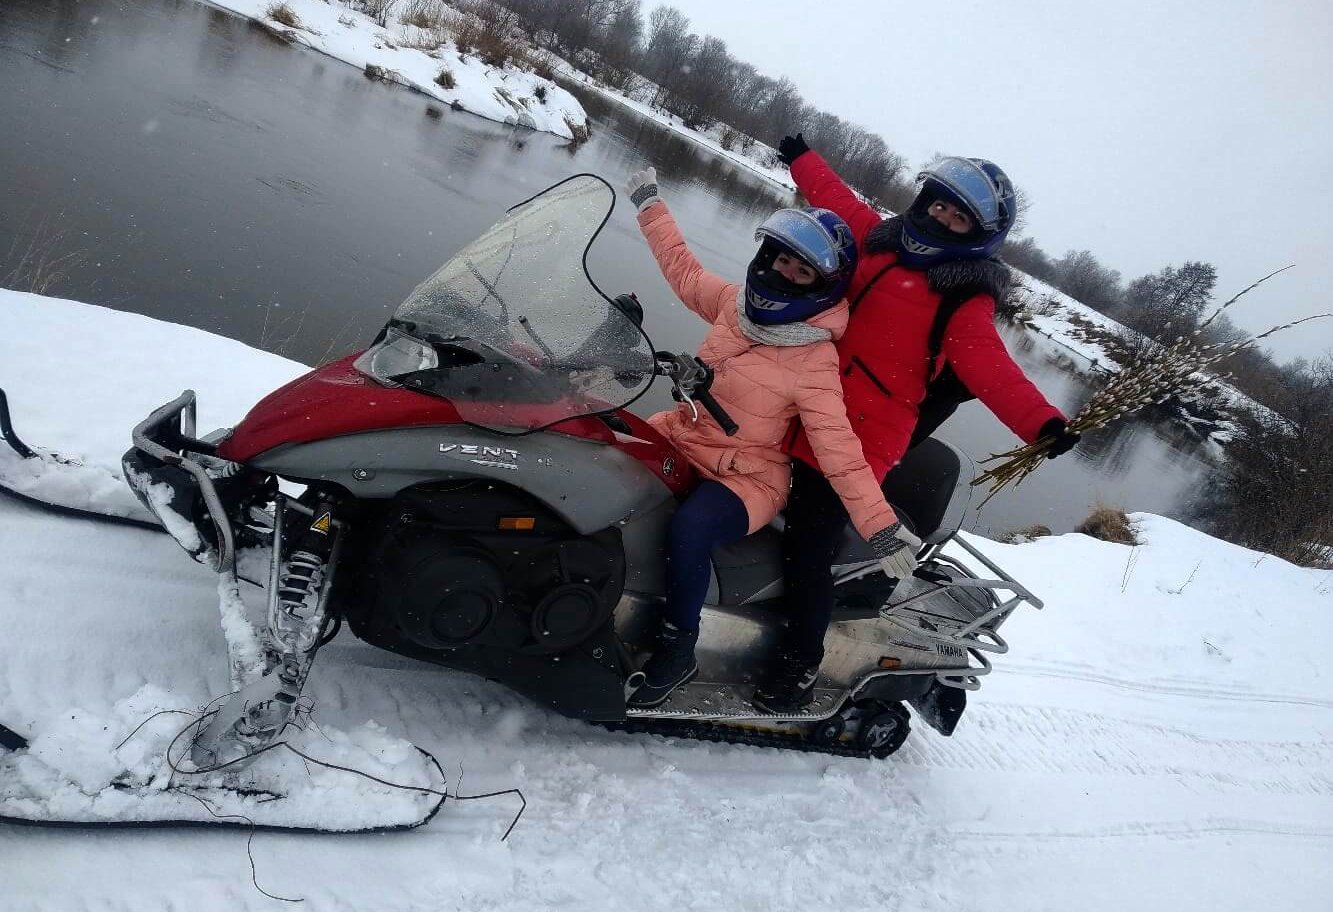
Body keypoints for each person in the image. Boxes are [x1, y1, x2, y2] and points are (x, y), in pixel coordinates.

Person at [754, 134, 1081, 712]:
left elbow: (990, 366)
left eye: (959, 218)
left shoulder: (963, 298)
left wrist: (1042, 424)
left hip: (862, 433)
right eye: (940, 204)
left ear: (977, 236)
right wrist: (801, 158)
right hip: (804, 398)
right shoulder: (879, 241)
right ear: (924, 198)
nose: (943, 218)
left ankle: (798, 667)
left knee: (808, 542)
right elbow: (838, 200)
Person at [621, 167, 922, 709]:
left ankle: (677, 650)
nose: (786, 272)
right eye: (782, 258)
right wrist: (649, 205)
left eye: (803, 270)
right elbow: (682, 270)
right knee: (604, 444)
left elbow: (839, 449)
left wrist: (881, 527)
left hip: (747, 477)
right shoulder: (734, 307)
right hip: (684, 437)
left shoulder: (815, 359)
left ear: (823, 284)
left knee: (690, 529)